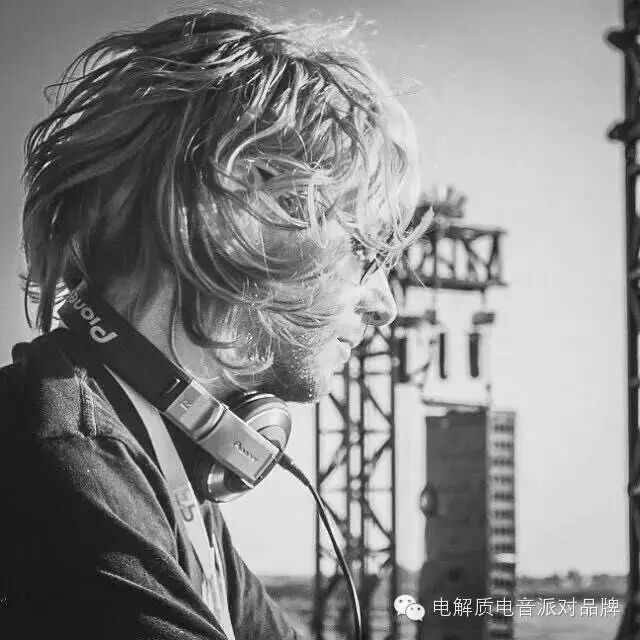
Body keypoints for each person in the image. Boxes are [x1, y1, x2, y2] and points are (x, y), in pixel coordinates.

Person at [0, 6, 426, 639]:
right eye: (365, 251)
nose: (385, 304)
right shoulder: (70, 471)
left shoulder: (151, 453)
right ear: (238, 206)